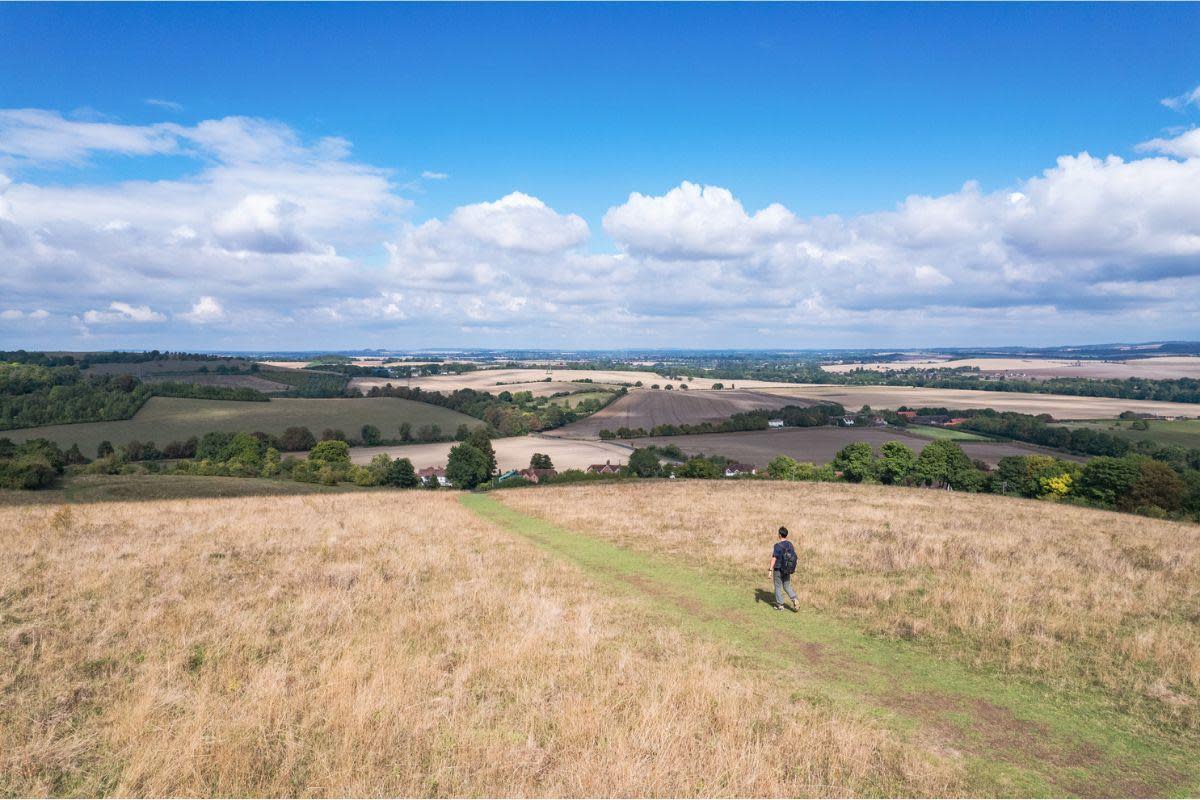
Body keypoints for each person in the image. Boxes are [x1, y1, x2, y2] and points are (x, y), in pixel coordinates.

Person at [769, 526, 799, 612]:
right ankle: (795, 599)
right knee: (787, 585)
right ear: (786, 535)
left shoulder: (777, 546)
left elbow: (774, 558)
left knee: (778, 586)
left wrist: (770, 570)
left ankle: (780, 605)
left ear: (779, 535)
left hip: (778, 569)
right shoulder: (790, 544)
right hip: (787, 569)